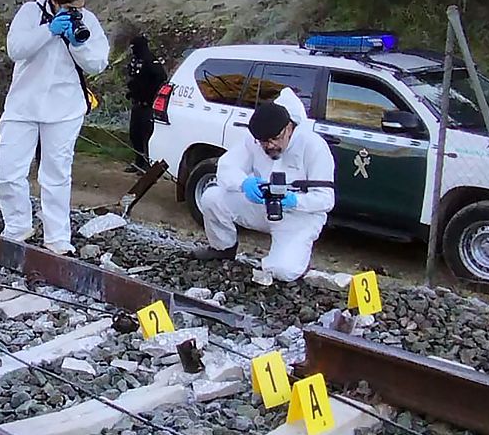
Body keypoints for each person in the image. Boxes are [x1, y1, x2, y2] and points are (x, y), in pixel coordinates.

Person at [0, 0, 110, 255]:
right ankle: (17, 226)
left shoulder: (87, 20)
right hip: (23, 105)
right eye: (70, 8)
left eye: (80, 7)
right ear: (54, 1)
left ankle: (57, 238)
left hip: (65, 108)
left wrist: (76, 42)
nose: (76, 12)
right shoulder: (30, 13)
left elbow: (97, 64)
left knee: (56, 174)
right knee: (8, 170)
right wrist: (49, 30)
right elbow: (16, 49)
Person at [192, 88, 335, 281]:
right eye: (263, 142)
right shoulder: (254, 141)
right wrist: (244, 183)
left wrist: (294, 200)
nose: (269, 146)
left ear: (289, 128)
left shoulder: (314, 146)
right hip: (262, 206)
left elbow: (326, 200)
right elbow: (226, 167)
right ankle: (222, 248)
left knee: (282, 271)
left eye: (274, 139)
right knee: (211, 197)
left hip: (299, 216)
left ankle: (297, 259)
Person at [124, 35, 166, 173]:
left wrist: (150, 94)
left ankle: (148, 164)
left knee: (146, 135)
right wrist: (133, 91)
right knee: (135, 134)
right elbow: (134, 78)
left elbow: (161, 78)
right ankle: (138, 162)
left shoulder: (150, 60)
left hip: (148, 104)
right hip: (137, 103)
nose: (132, 50)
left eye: (134, 47)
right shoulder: (136, 60)